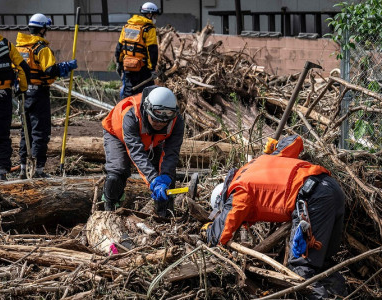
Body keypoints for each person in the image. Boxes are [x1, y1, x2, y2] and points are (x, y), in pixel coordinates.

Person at [204, 135, 347, 299]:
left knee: (300, 271)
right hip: (331, 188)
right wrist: (277, 147)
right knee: (321, 264)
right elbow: (295, 141)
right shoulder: (260, 162)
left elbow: (219, 235)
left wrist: (208, 230)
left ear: (223, 198)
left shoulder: (239, 190)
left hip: (311, 200)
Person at [101, 85, 184, 217]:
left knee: (166, 175)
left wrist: (165, 177)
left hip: (151, 140)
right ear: (147, 110)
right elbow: (136, 152)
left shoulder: (177, 122)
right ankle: (109, 209)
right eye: (155, 119)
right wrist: (153, 180)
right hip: (117, 135)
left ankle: (164, 214)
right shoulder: (131, 116)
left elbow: (171, 153)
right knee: (118, 171)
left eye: (165, 122)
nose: (160, 124)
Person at [16, 13, 78, 179]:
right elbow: (50, 70)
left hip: (23, 93)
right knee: (40, 131)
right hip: (38, 93)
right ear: (43, 28)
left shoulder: (20, 47)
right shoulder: (41, 49)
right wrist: (65, 67)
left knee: (25, 131)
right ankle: (38, 170)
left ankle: (23, 168)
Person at [0, 13, 30, 181]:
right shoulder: (7, 45)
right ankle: (1, 170)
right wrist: (22, 88)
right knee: (2, 135)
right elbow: (23, 68)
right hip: (3, 96)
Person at [115, 2, 160, 99]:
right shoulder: (149, 29)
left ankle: (125, 112)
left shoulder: (127, 26)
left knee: (128, 94)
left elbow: (119, 47)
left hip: (128, 67)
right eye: (154, 15)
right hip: (143, 69)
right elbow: (152, 51)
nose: (155, 18)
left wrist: (119, 63)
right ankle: (140, 113)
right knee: (146, 95)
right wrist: (152, 69)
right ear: (149, 14)